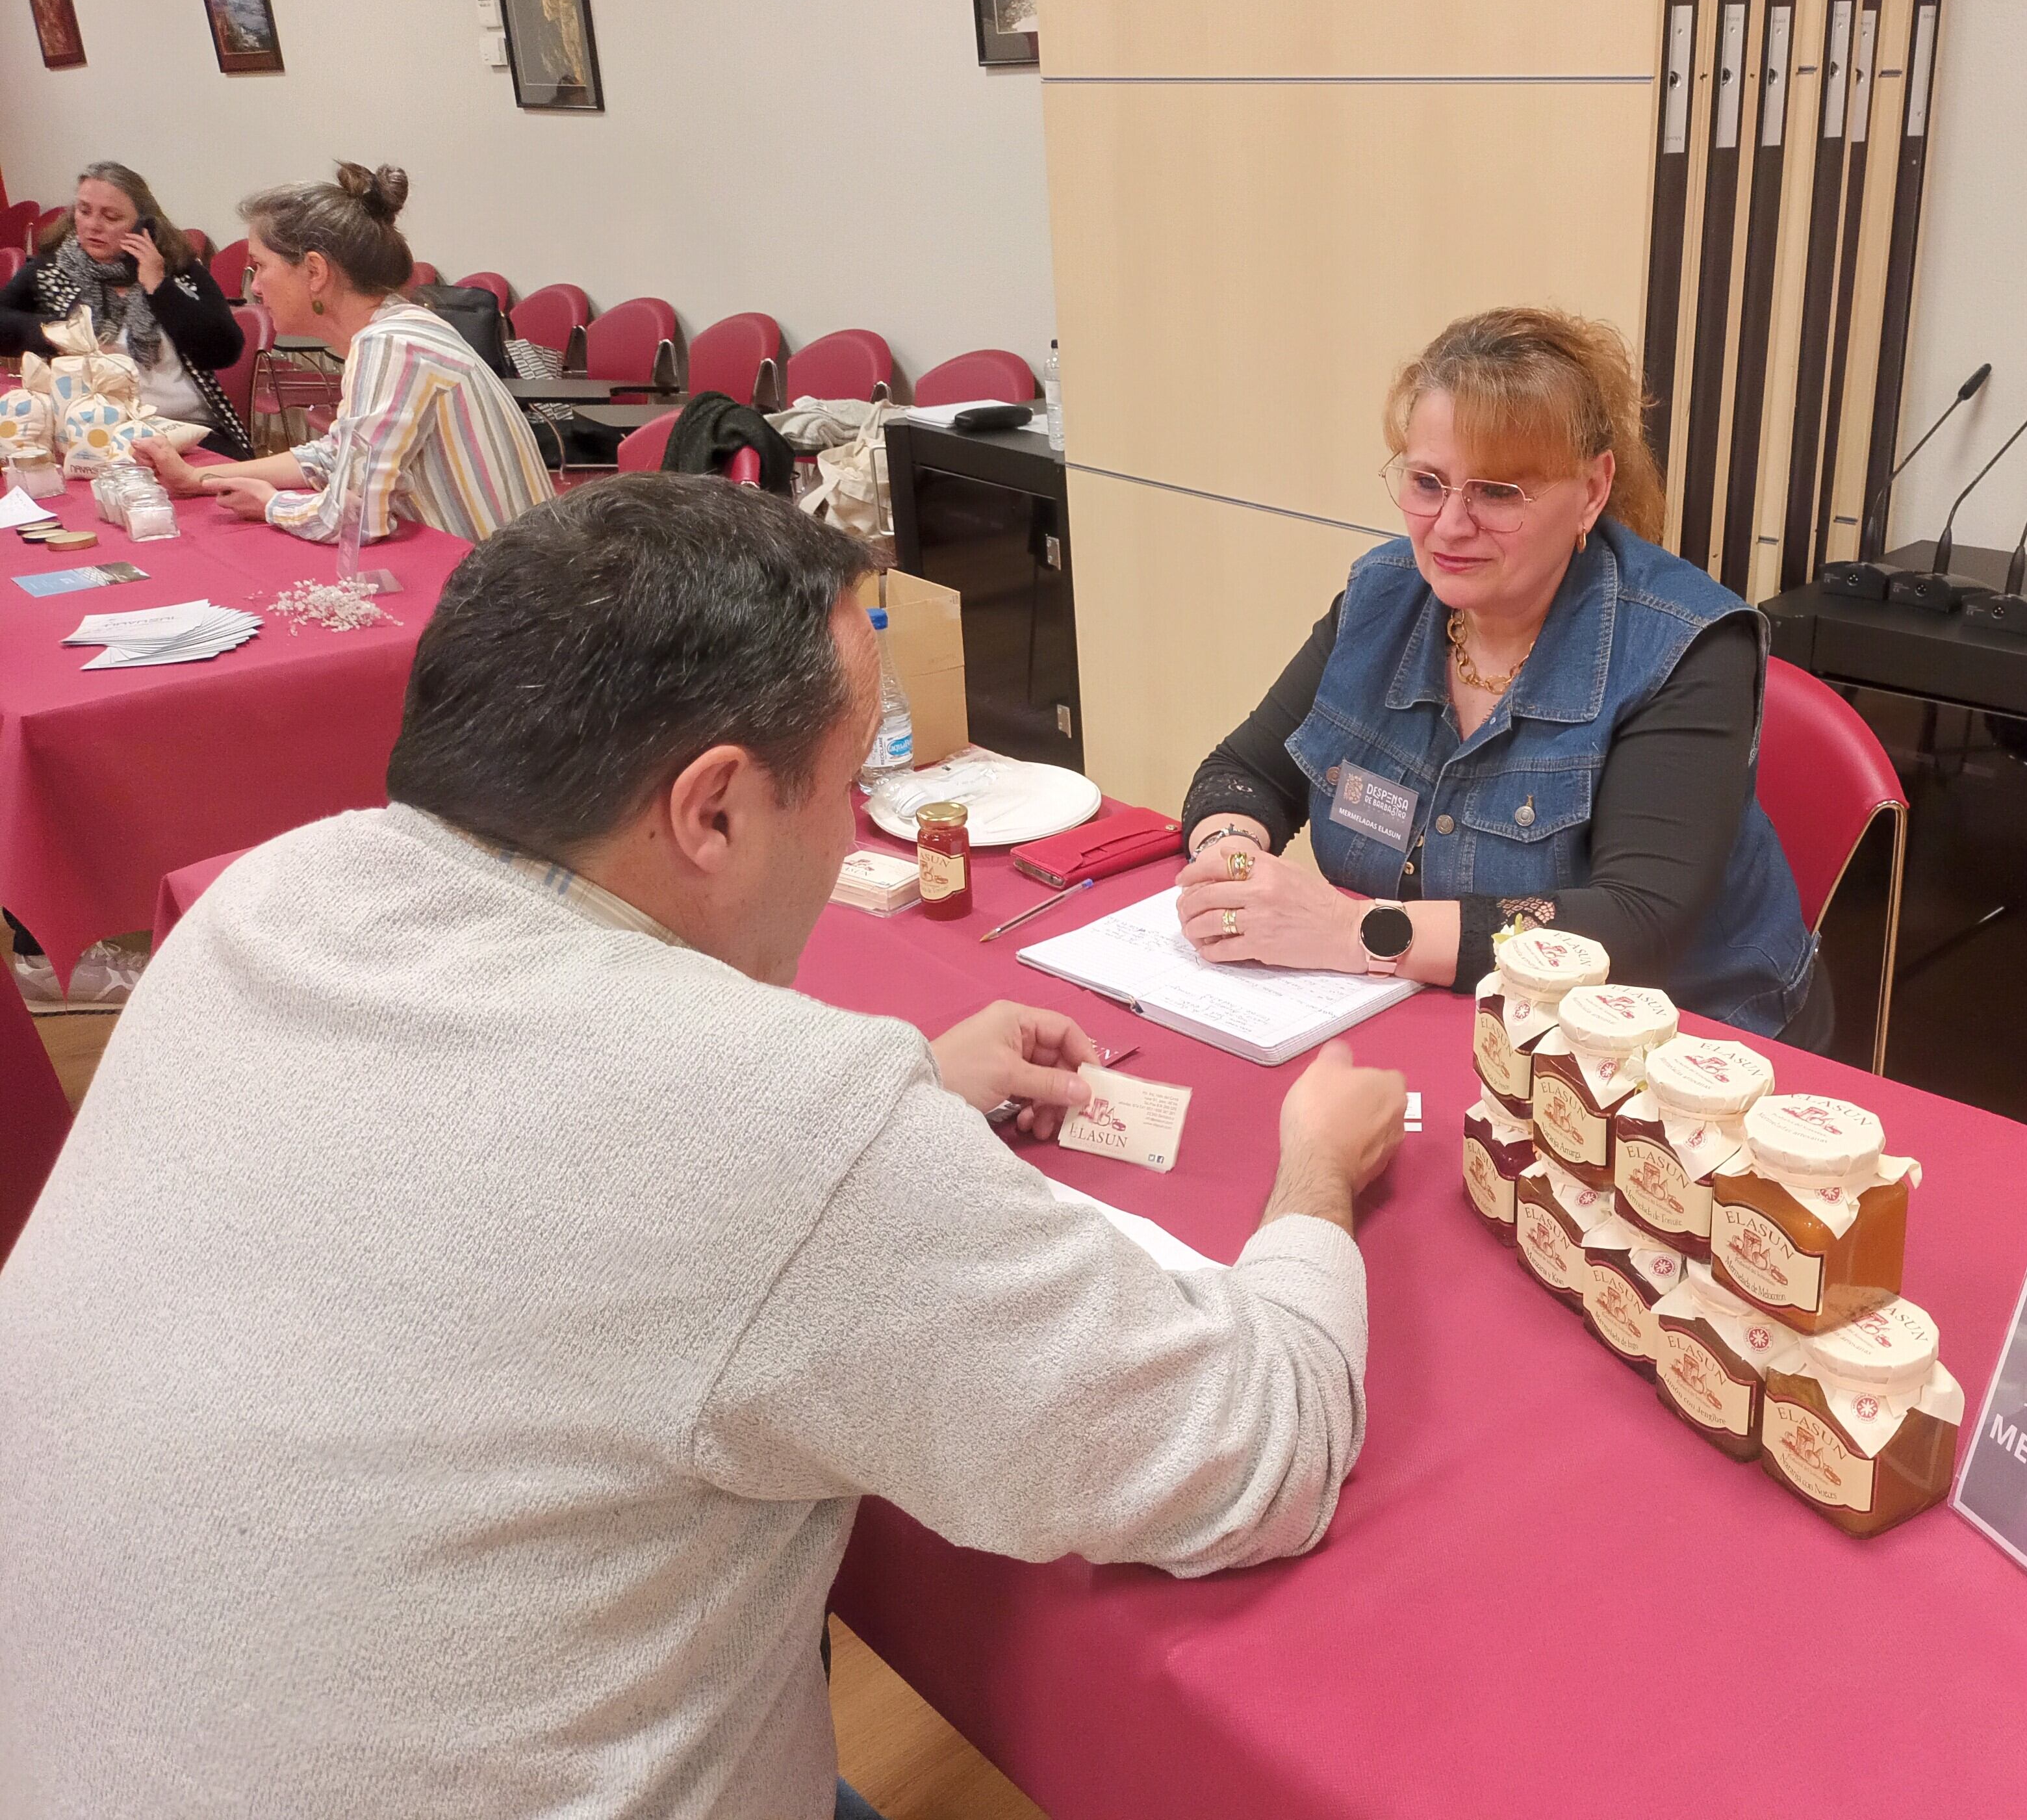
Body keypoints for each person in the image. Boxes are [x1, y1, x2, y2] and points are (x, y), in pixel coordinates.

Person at [0, 474, 1405, 1816]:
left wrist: (904, 1082)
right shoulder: (778, 1127)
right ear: (715, 807)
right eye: (849, 782)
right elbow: (1254, 1451)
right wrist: (1312, 1182)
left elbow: (517, 1150)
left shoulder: (270, 894)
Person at [1178, 305, 1827, 1042]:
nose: (1450, 526)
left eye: (1496, 493)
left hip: (1678, 1048)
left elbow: (1633, 923)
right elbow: (1243, 771)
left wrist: (1355, 930)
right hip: (1449, 1018)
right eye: (1428, 482)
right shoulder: (1382, 596)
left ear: (1591, 489)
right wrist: (1226, 858)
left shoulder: (1688, 647)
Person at [133, 162, 552, 545]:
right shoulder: (398, 326)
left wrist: (272, 506)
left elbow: (356, 517)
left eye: (260, 266)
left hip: (512, 599)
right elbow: (336, 455)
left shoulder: (389, 345)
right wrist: (197, 478)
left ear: (315, 272)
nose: (255, 288)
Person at [0, 160, 255, 457]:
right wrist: (65, 334)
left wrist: (159, 286)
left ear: (143, 225)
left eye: (111, 217)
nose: (93, 225)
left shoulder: (179, 271)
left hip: (184, 430)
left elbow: (223, 350)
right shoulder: (52, 271)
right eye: (84, 211)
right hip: (88, 429)